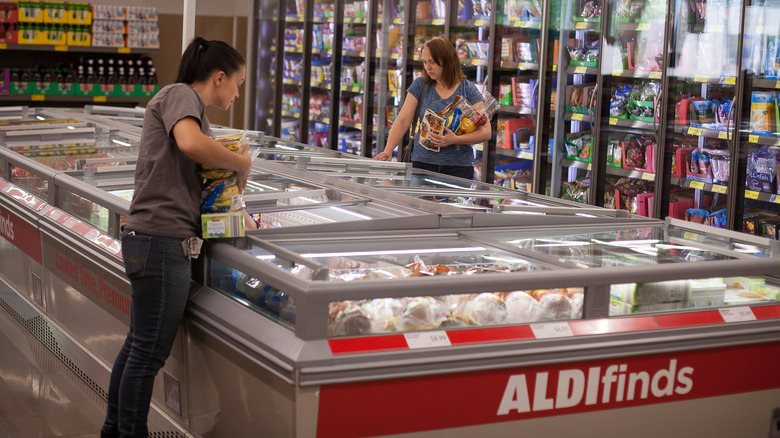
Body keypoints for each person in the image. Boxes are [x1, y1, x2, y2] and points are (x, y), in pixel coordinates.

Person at [100, 37, 249, 438]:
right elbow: (189, 143)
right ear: (218, 77)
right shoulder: (181, 94)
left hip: (150, 238)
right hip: (161, 242)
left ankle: (114, 429)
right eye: (237, 83)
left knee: (137, 346)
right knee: (147, 353)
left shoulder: (187, 104)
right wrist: (240, 162)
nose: (237, 93)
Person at [374, 37, 491, 180]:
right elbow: (403, 120)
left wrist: (454, 139)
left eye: (432, 62)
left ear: (447, 61)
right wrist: (388, 150)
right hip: (422, 165)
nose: (427, 67)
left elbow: (486, 132)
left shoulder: (468, 90)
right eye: (424, 62)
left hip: (457, 168)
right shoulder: (420, 85)